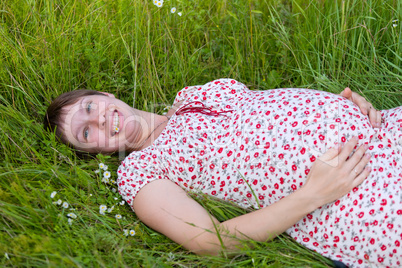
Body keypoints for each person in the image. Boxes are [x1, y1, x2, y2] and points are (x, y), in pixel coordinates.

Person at [44, 79, 401, 267]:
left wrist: (345, 105)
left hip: (383, 130)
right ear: (95, 152)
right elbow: (209, 242)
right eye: (87, 132)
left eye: (90, 107)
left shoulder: (191, 99)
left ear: (104, 95)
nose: (99, 119)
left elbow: (270, 109)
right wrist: (313, 194)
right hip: (354, 191)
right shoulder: (141, 172)